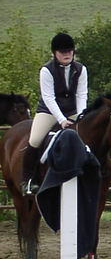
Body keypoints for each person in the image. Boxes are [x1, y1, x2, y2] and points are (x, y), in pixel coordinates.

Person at [22, 32, 88, 195]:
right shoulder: (46, 70)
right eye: (62, 52)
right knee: (35, 140)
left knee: (91, 134)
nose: (67, 54)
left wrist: (81, 116)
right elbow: (48, 98)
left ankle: (101, 174)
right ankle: (28, 180)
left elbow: (81, 95)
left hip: (72, 110)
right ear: (55, 53)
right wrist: (61, 120)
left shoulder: (81, 69)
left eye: (69, 51)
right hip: (49, 111)